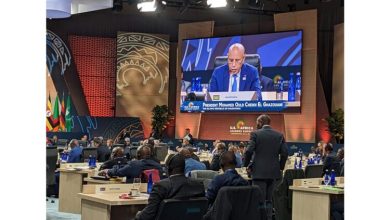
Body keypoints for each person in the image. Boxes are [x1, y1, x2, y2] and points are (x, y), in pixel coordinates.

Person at [244, 114, 288, 220]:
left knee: (259, 200)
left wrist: (245, 165)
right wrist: (280, 167)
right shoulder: (279, 135)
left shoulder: (255, 134)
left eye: (257, 123)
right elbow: (285, 153)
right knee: (269, 201)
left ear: (260, 122)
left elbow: (249, 151)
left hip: (258, 173)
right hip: (273, 173)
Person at [135, 154, 205, 220]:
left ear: (168, 169)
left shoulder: (160, 186)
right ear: (184, 169)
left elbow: (148, 215)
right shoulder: (199, 185)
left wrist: (138, 215)